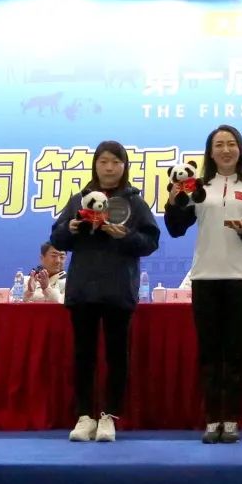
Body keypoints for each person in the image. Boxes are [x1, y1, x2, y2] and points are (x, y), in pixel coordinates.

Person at [164, 125, 242, 444]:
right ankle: (212, 418)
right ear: (210, 153)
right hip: (205, 277)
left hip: (241, 277)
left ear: (240, 150)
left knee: (236, 351)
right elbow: (176, 229)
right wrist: (173, 202)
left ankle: (232, 418)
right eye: (219, 145)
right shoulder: (198, 186)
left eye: (231, 144)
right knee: (210, 351)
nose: (226, 150)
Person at [51, 140, 160, 443]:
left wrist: (124, 235)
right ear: (95, 165)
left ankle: (109, 416)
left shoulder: (135, 202)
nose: (109, 168)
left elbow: (150, 242)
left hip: (118, 290)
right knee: (83, 355)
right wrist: (70, 229)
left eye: (115, 162)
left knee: (116, 356)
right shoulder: (79, 199)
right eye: (103, 162)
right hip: (83, 289)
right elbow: (57, 237)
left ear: (124, 166)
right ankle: (84, 416)